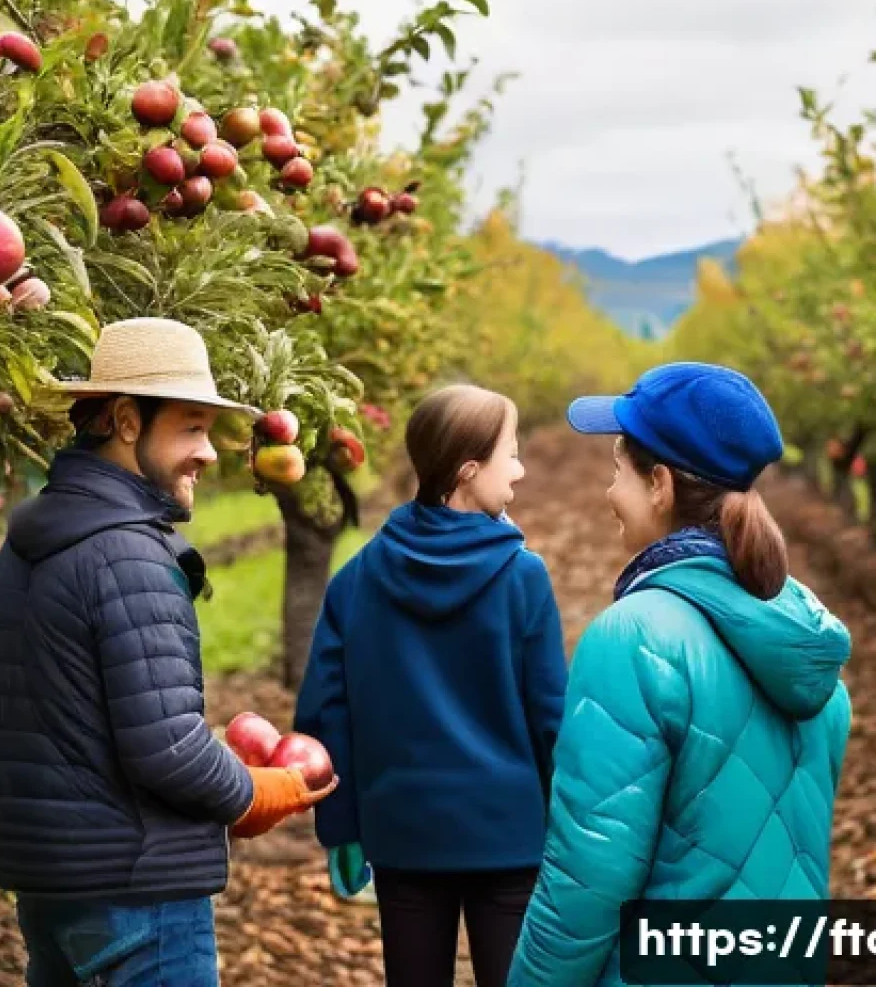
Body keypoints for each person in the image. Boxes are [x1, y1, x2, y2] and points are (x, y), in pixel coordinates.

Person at [0, 317, 335, 987]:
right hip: (138, 895)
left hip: (53, 888)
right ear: (128, 422)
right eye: (192, 427)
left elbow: (75, 719)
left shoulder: (23, 549)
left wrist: (214, 749)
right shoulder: (129, 555)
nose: (210, 453)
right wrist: (254, 792)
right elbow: (166, 750)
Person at [507, 362, 853, 987]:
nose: (610, 493)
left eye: (618, 472)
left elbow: (587, 875)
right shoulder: (807, 639)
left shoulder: (634, 637)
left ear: (660, 484)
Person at [294, 383, 569, 987]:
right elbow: (551, 716)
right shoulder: (522, 577)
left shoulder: (357, 578)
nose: (520, 470)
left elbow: (325, 714)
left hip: (404, 835)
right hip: (510, 838)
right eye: (511, 454)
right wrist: (570, 831)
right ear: (469, 469)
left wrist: (340, 827)